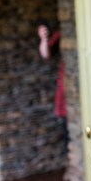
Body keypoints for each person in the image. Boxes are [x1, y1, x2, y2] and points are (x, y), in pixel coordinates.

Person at [38, 23, 68, 154]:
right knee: (68, 127)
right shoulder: (62, 33)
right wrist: (43, 39)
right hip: (67, 85)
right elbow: (46, 54)